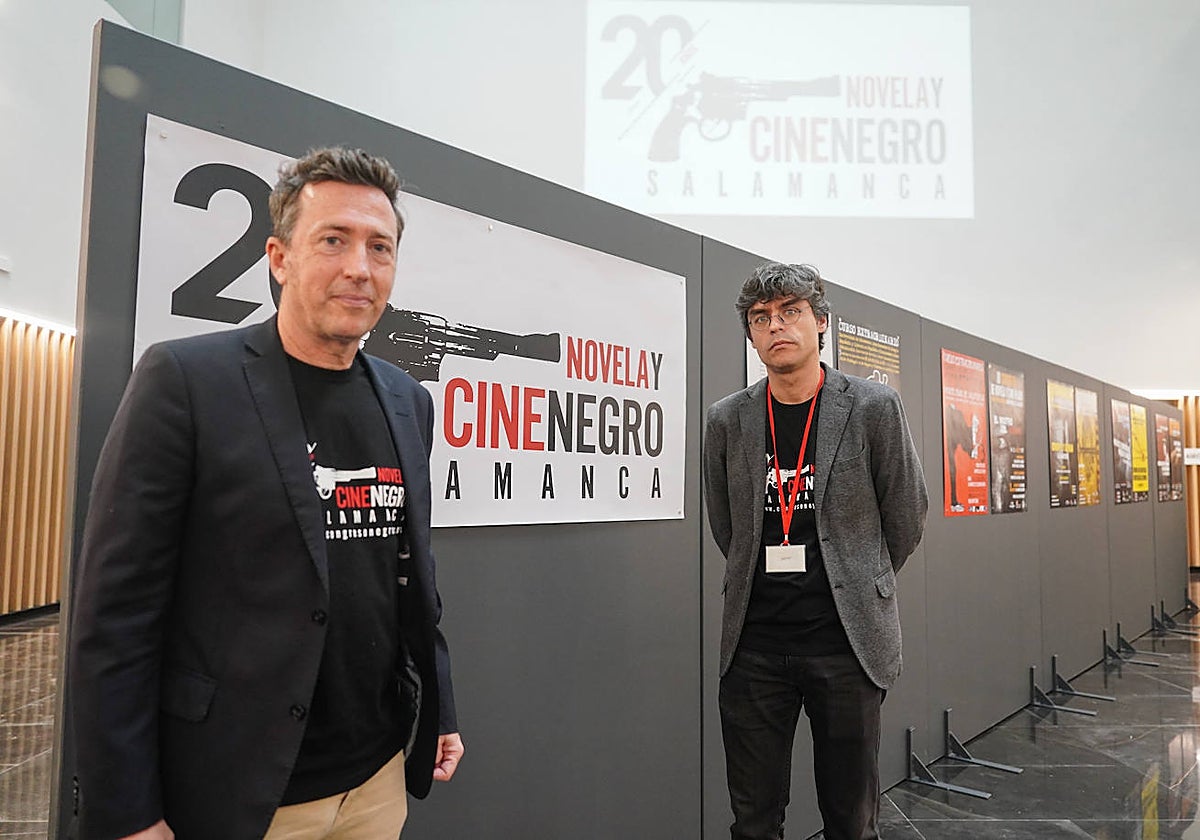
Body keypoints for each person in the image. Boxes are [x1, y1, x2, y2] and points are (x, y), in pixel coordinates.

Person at [69, 147, 463, 840]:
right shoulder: (187, 381)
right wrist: (126, 812)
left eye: (379, 247)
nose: (359, 267)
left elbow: (409, 580)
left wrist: (439, 708)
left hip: (375, 782)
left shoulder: (408, 400)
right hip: (241, 790)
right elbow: (116, 617)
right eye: (333, 240)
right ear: (279, 258)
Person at [703, 262, 927, 840]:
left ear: (820, 321)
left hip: (846, 645)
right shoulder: (727, 419)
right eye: (761, 318)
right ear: (751, 335)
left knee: (851, 821)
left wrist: (862, 578)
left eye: (790, 312)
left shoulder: (873, 407)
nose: (776, 326)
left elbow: (906, 514)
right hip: (754, 647)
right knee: (753, 821)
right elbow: (728, 528)